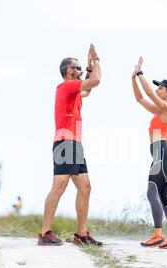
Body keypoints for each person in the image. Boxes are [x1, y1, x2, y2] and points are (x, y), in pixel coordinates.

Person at [38, 44, 103, 247]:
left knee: (85, 187)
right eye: (79, 67)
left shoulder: (74, 92)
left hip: (75, 144)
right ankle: (44, 233)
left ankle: (81, 234)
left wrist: (90, 65)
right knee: (59, 186)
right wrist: (97, 60)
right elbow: (96, 81)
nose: (81, 70)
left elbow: (89, 89)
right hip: (65, 142)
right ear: (69, 71)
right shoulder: (65, 87)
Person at [131, 57, 167, 249]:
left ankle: (158, 234)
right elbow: (141, 98)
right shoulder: (159, 111)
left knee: (152, 192)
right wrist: (133, 78)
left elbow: (148, 92)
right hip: (164, 155)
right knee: (163, 197)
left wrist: (140, 73)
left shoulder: (166, 108)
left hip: (161, 154)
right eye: (157, 88)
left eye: (160, 88)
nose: (157, 90)